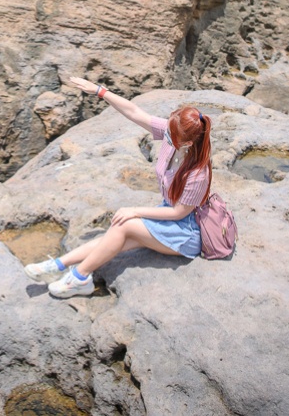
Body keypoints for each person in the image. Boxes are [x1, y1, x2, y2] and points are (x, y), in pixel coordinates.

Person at [25, 76, 212, 298]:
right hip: (168, 218)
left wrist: (134, 210)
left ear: (188, 143)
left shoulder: (198, 173)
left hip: (183, 232)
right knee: (116, 237)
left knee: (124, 225)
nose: (165, 134)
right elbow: (134, 112)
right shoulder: (173, 136)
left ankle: (80, 277)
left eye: (170, 133)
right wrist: (99, 91)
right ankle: (58, 265)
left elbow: (179, 212)